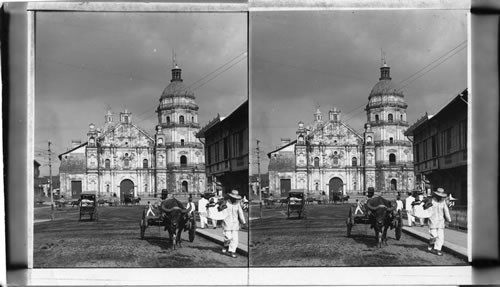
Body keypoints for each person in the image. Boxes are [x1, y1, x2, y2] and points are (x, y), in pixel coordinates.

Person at [220, 190, 246, 258]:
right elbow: (221, 211)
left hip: (235, 223)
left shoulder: (238, 203)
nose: (235, 199)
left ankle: (232, 251)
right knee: (228, 238)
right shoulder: (225, 202)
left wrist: (243, 222)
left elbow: (240, 213)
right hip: (226, 222)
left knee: (235, 239)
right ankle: (225, 245)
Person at [427, 188, 452, 256]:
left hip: (441, 222)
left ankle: (438, 249)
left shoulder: (443, 202)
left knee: (440, 237)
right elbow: (427, 210)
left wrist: (449, 220)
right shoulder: (431, 201)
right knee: (434, 236)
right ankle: (430, 243)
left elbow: (446, 211)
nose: (440, 197)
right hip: (432, 221)